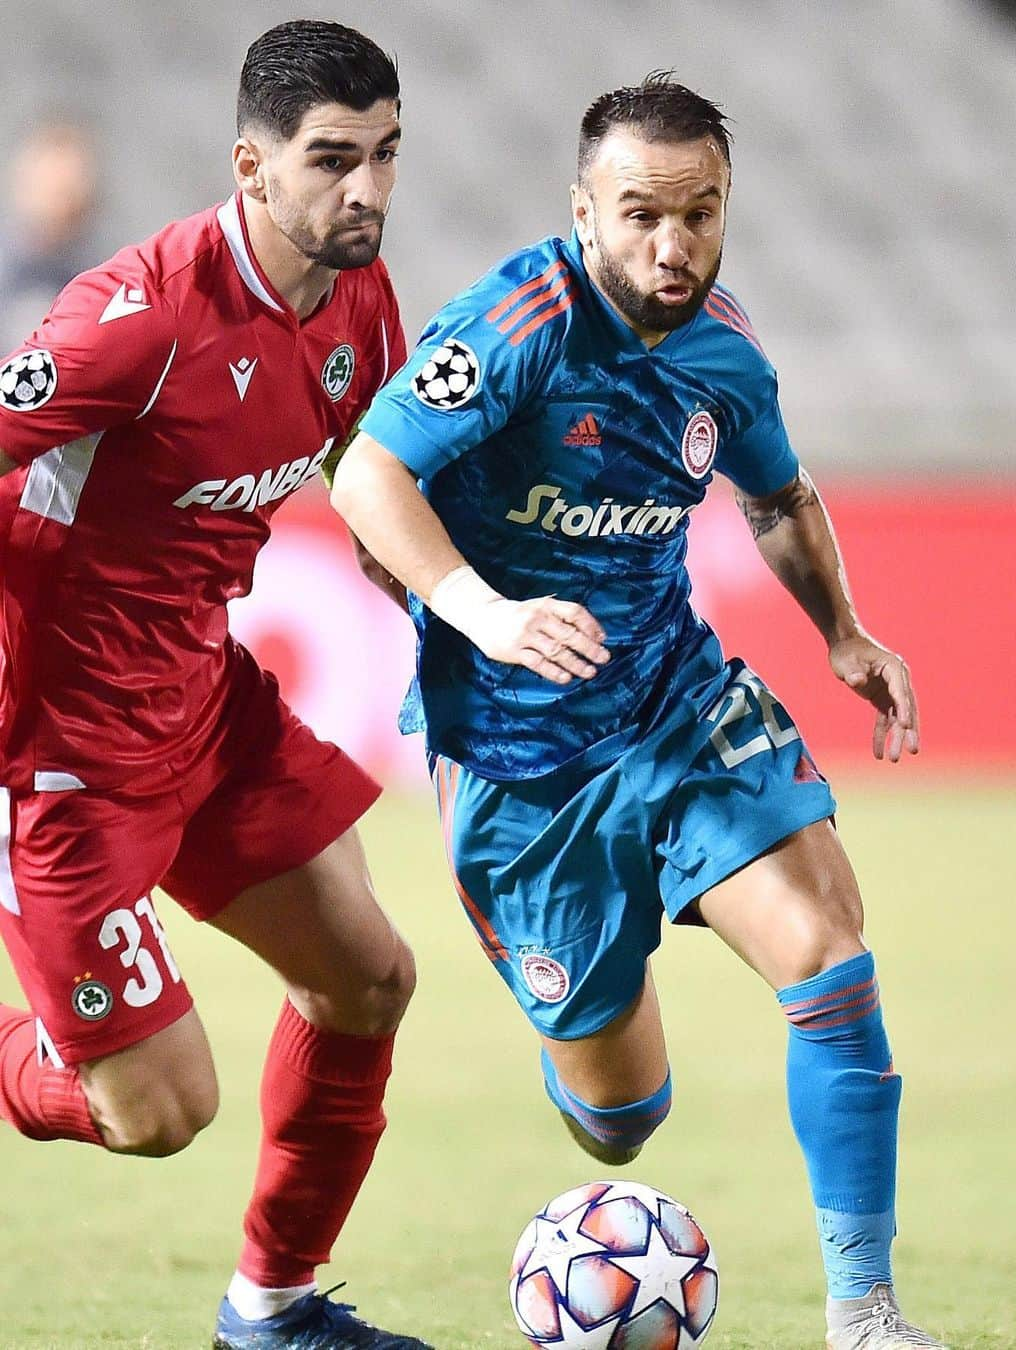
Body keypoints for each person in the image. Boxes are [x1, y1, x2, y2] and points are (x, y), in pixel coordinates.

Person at [330, 75, 949, 1350]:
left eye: (701, 213)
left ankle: (866, 1314)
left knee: (830, 955)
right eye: (640, 216)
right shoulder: (515, 323)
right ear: (583, 211)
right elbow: (373, 472)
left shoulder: (724, 348)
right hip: (519, 766)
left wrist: (843, 630)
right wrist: (482, 609)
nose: (673, 247)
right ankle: (598, 1094)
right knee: (621, 1119)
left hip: (677, 704)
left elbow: (777, 500)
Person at [0, 20, 432, 1350]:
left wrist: (462, 607)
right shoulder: (129, 319)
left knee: (367, 978)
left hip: (204, 701)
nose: (364, 190)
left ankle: (274, 1313)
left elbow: (372, 488)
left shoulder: (360, 298)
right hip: (59, 755)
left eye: (386, 155)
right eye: (331, 160)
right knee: (160, 1112)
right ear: (251, 164)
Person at [0, 119, 101, 354]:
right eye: (57, 190)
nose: (67, 203)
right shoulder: (8, 268)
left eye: (72, 191)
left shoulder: (95, 279)